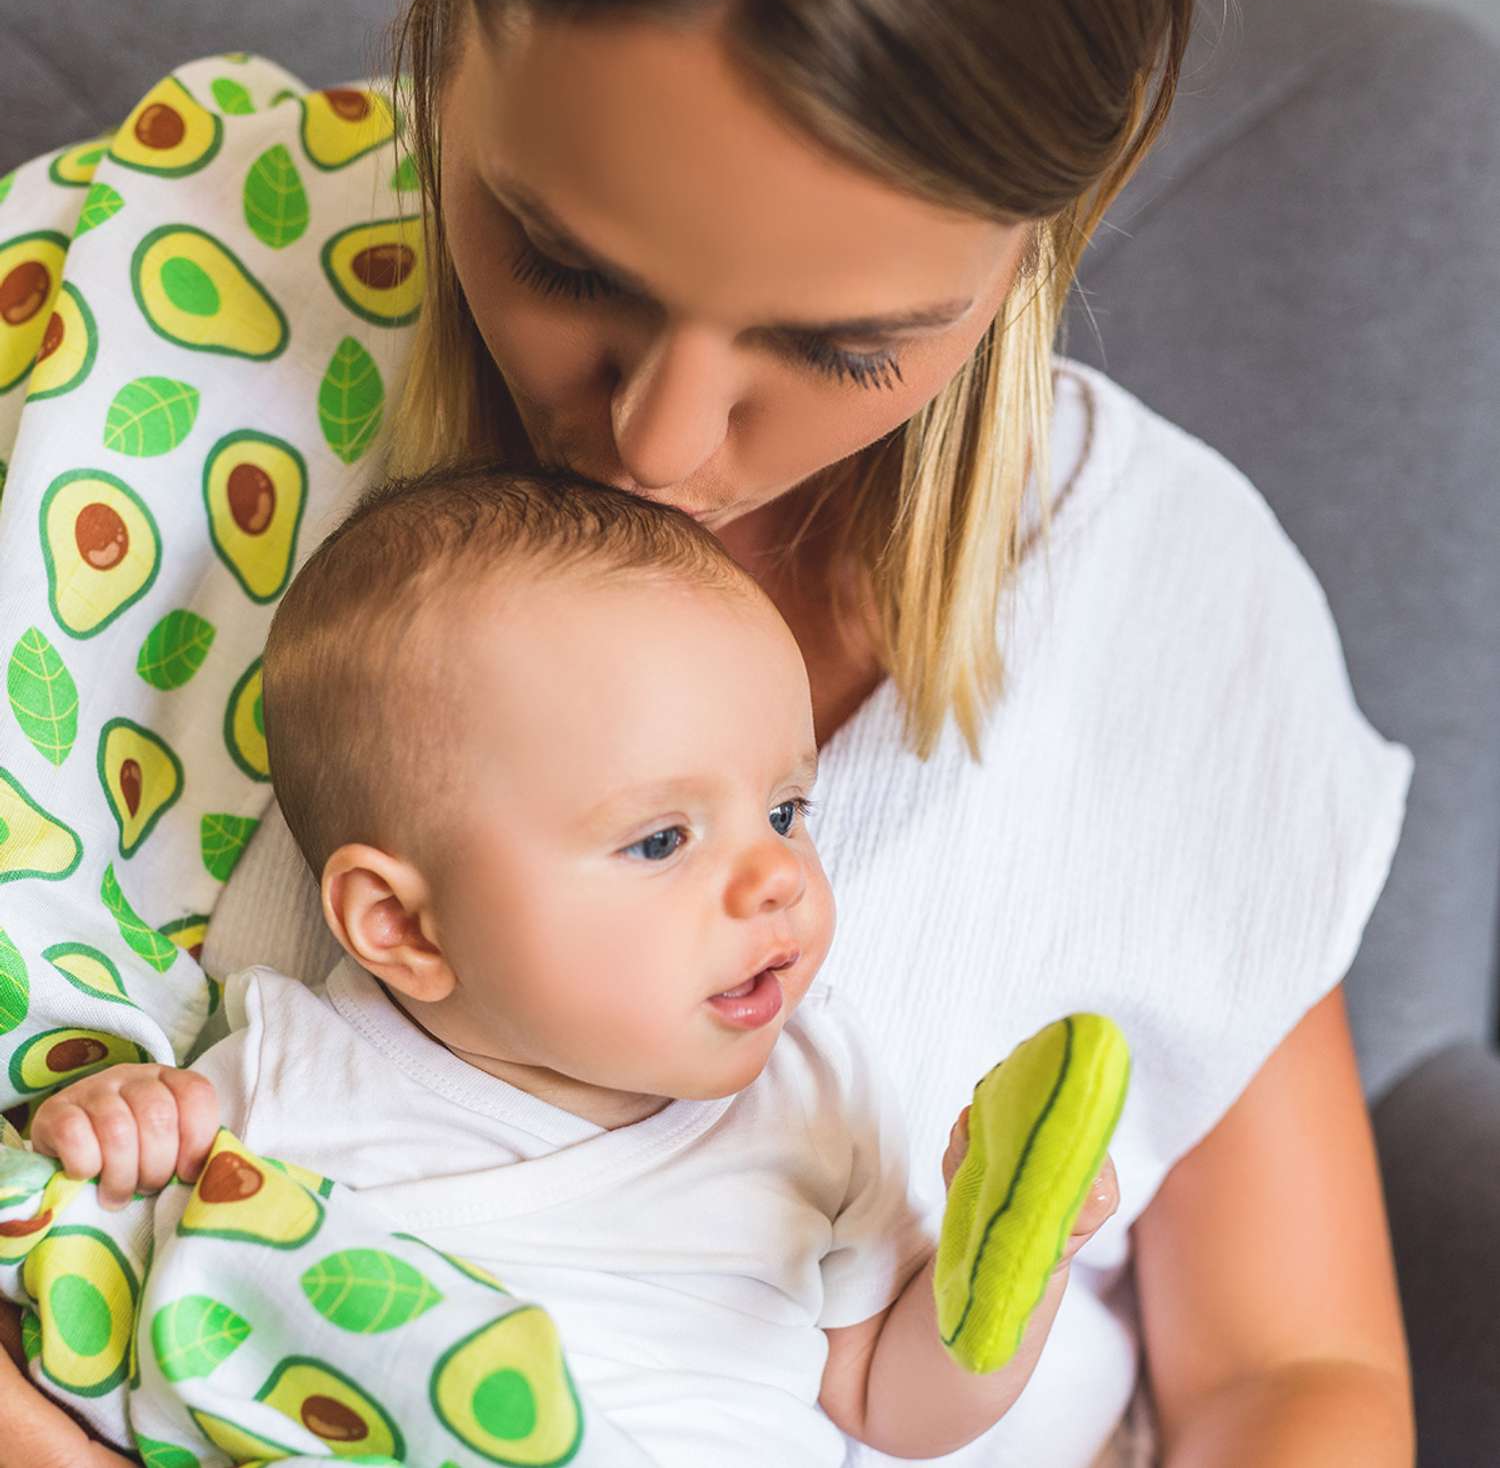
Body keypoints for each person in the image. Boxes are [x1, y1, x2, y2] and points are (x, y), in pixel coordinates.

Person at [0, 0, 1417, 1465]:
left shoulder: (1174, 609)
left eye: (845, 344)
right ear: (443, 20)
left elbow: (1291, 1372)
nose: (658, 443)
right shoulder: (123, 330)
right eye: (561, 257)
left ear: (1055, 218)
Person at [13, 461, 1121, 1466]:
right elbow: (118, 1216)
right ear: (403, 926)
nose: (775, 876)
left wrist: (1014, 1257)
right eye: (660, 840)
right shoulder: (302, 1067)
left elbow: (889, 1402)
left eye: (785, 809)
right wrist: (115, 1113)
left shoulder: (817, 1092)